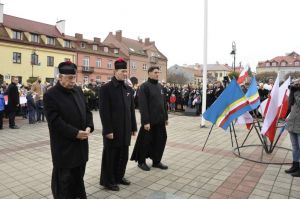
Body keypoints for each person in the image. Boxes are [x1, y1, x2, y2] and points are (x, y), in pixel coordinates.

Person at [44, 61, 94, 199]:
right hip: (64, 148)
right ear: (60, 77)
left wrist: (89, 126)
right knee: (64, 183)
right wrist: (75, 133)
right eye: (70, 78)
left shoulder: (77, 90)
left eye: (74, 77)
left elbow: (87, 111)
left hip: (81, 146)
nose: (73, 81)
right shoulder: (50, 95)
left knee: (79, 178)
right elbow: (55, 122)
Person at [99, 57, 137, 191]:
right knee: (111, 156)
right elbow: (104, 111)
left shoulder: (128, 89)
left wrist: (133, 127)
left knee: (123, 155)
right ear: (115, 71)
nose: (125, 74)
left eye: (126, 71)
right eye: (122, 71)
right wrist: (108, 130)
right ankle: (108, 181)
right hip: (113, 130)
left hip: (126, 129)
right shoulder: (106, 88)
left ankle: (119, 176)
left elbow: (131, 109)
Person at [131, 66, 168, 171]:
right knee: (145, 141)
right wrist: (145, 121)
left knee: (161, 139)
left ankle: (156, 161)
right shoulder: (144, 87)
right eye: (155, 72)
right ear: (149, 73)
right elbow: (143, 105)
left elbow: (163, 104)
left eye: (158, 72)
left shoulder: (161, 87)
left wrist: (165, 117)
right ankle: (141, 161)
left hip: (160, 120)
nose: (157, 74)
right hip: (149, 122)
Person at [285, 79, 300, 177]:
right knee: (295, 147)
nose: (295, 85)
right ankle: (295, 165)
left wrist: (296, 90)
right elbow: (291, 107)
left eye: (297, 84)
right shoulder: (294, 93)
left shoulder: (297, 93)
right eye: (295, 84)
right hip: (292, 124)